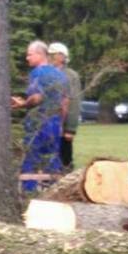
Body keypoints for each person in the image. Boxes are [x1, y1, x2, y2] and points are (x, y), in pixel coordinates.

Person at [12, 41, 68, 192]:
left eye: (29, 54)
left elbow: (37, 97)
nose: (27, 58)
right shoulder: (60, 75)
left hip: (38, 122)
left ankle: (28, 193)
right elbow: (64, 103)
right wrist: (61, 124)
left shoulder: (37, 73)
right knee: (52, 159)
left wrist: (22, 104)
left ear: (39, 54)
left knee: (30, 157)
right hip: (55, 122)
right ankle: (55, 192)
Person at [48, 42, 80, 171]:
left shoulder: (70, 76)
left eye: (52, 55)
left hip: (64, 125)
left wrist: (70, 128)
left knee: (64, 159)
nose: (49, 58)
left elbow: (74, 101)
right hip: (48, 125)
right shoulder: (46, 74)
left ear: (61, 56)